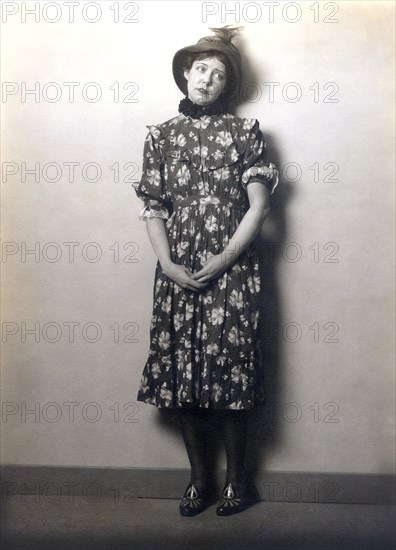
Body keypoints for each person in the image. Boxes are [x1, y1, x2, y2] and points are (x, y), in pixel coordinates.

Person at [133, 25, 279, 516]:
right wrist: (169, 265)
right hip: (178, 270)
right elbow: (153, 207)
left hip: (232, 272)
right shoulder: (161, 136)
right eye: (201, 70)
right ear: (185, 73)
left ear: (226, 86)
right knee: (186, 374)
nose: (207, 80)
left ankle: (240, 484)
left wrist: (224, 259)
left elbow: (257, 209)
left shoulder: (245, 134)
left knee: (229, 376)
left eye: (218, 75)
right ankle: (200, 483)